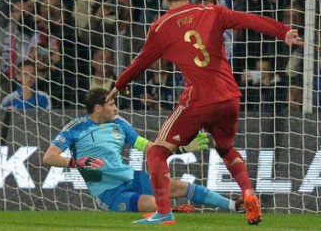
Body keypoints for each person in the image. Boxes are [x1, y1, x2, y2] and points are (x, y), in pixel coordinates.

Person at [107, 0, 303, 225]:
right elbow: (248, 19)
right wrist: (283, 31)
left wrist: (119, 84)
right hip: (230, 96)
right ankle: (247, 192)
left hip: (198, 100)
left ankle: (164, 212)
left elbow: (141, 61)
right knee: (225, 148)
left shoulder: (161, 27)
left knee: (156, 152)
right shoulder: (213, 11)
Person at [43, 88, 243, 215]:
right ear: (97, 108)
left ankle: (233, 206)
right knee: (157, 203)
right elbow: (49, 157)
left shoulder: (120, 124)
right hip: (108, 193)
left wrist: (181, 148)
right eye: (111, 104)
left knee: (177, 186)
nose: (116, 108)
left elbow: (149, 148)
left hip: (131, 178)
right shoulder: (75, 128)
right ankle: (173, 211)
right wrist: (77, 162)